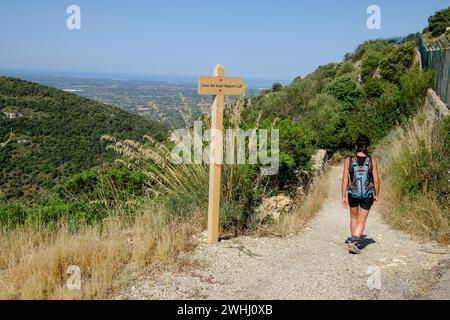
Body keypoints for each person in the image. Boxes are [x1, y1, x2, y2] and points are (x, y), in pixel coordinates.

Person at [341, 135, 380, 254]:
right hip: (367, 194)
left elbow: (344, 180)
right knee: (362, 220)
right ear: (367, 147)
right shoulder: (372, 160)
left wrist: (343, 196)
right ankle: (354, 242)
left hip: (352, 193)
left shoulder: (349, 160)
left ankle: (354, 240)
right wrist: (376, 194)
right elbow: (376, 180)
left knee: (353, 217)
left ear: (356, 146)